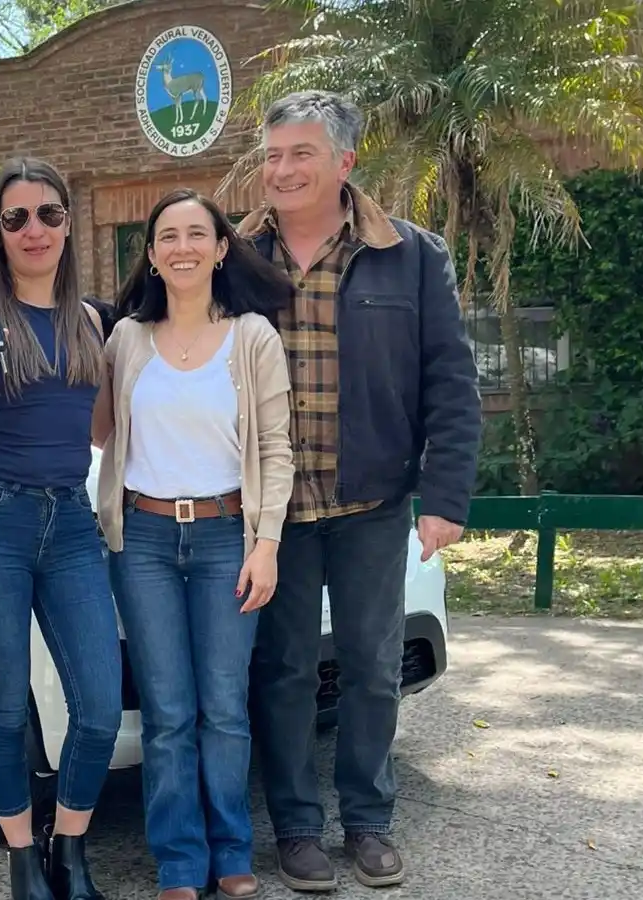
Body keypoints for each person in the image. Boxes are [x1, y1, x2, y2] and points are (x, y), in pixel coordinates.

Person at [235, 90, 482, 891]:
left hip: (372, 502)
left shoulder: (412, 255)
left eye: (300, 153)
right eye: (272, 155)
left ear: (344, 161)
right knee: (284, 672)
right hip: (273, 514)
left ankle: (369, 822)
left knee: (374, 667)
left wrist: (444, 496)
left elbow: (450, 381)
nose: (282, 169)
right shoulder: (235, 257)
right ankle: (298, 830)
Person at [0, 156, 121, 900]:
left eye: (48, 214)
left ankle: (68, 849)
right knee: (5, 707)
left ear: (69, 225)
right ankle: (21, 864)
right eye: (16, 217)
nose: (33, 229)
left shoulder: (92, 323)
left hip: (69, 522)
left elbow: (100, 429)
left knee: (99, 708)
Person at [92, 190, 295, 900]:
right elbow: (91, 433)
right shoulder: (124, 341)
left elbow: (276, 447)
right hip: (142, 540)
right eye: (166, 236)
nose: (181, 246)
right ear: (150, 255)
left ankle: (231, 853)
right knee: (168, 712)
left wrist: (265, 542)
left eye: (195, 234)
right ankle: (179, 862)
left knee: (224, 707)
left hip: (224, 538)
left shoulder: (252, 338)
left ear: (218, 249)